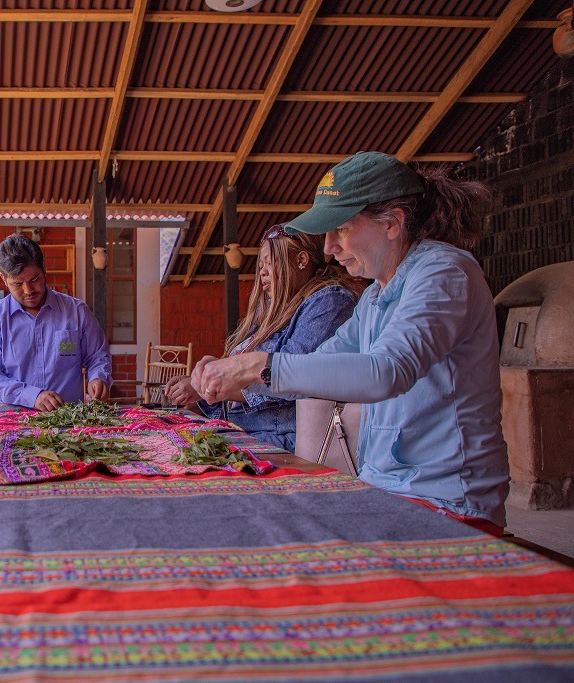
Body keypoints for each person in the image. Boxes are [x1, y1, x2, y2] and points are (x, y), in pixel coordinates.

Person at [191, 151, 509, 532]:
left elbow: (386, 372)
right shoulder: (376, 296)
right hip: (387, 489)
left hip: (446, 502)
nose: (328, 247)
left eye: (340, 229)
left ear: (392, 223)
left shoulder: (444, 273)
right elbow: (320, 367)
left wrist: (255, 365)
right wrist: (236, 374)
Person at [165, 227, 361, 451]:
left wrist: (214, 384)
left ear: (301, 259)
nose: (263, 273)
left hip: (283, 439)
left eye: (269, 263)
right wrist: (204, 382)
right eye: (260, 267)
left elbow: (290, 380)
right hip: (246, 430)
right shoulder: (273, 311)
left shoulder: (329, 302)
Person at [0, 233, 112, 411]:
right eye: (17, 284)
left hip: (66, 422)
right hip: (9, 424)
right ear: (3, 279)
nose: (28, 290)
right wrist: (32, 396)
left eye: (34, 279)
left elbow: (97, 356)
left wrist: (98, 377)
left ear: (44, 270)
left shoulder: (76, 312)